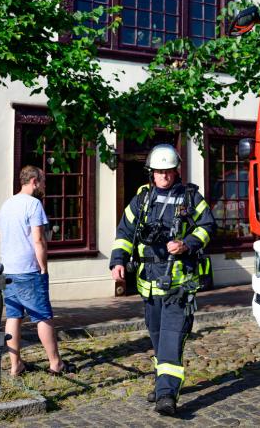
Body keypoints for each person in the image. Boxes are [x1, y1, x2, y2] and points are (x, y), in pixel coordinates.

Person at [109, 144, 215, 416]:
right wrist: (118, 260)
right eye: (159, 171)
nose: (164, 176)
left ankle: (166, 395)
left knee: (171, 337)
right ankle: (161, 384)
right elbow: (125, 231)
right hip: (149, 285)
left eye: (168, 171)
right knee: (157, 337)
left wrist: (187, 243)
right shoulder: (143, 199)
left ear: (176, 171)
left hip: (178, 285)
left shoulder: (190, 197)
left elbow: (208, 225)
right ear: (151, 173)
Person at [0, 165, 72, 377]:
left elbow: (2, 236)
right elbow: (38, 240)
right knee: (42, 316)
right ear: (34, 181)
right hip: (29, 268)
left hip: (8, 268)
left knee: (13, 316)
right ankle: (56, 364)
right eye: (43, 181)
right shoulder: (33, 204)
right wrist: (43, 267)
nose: (44, 186)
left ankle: (15, 365)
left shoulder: (6, 204)